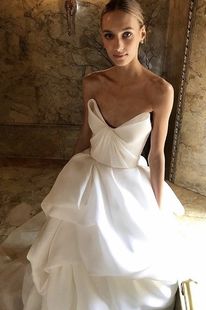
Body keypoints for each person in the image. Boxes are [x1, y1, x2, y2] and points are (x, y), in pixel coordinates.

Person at [1, 0, 184, 309]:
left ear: (143, 33)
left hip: (129, 181)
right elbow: (85, 135)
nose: (118, 45)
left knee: (131, 255)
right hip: (90, 174)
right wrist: (66, 181)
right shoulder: (93, 83)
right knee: (69, 252)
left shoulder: (160, 90)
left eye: (127, 34)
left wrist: (157, 207)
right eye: (109, 35)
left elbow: (156, 154)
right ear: (101, 36)